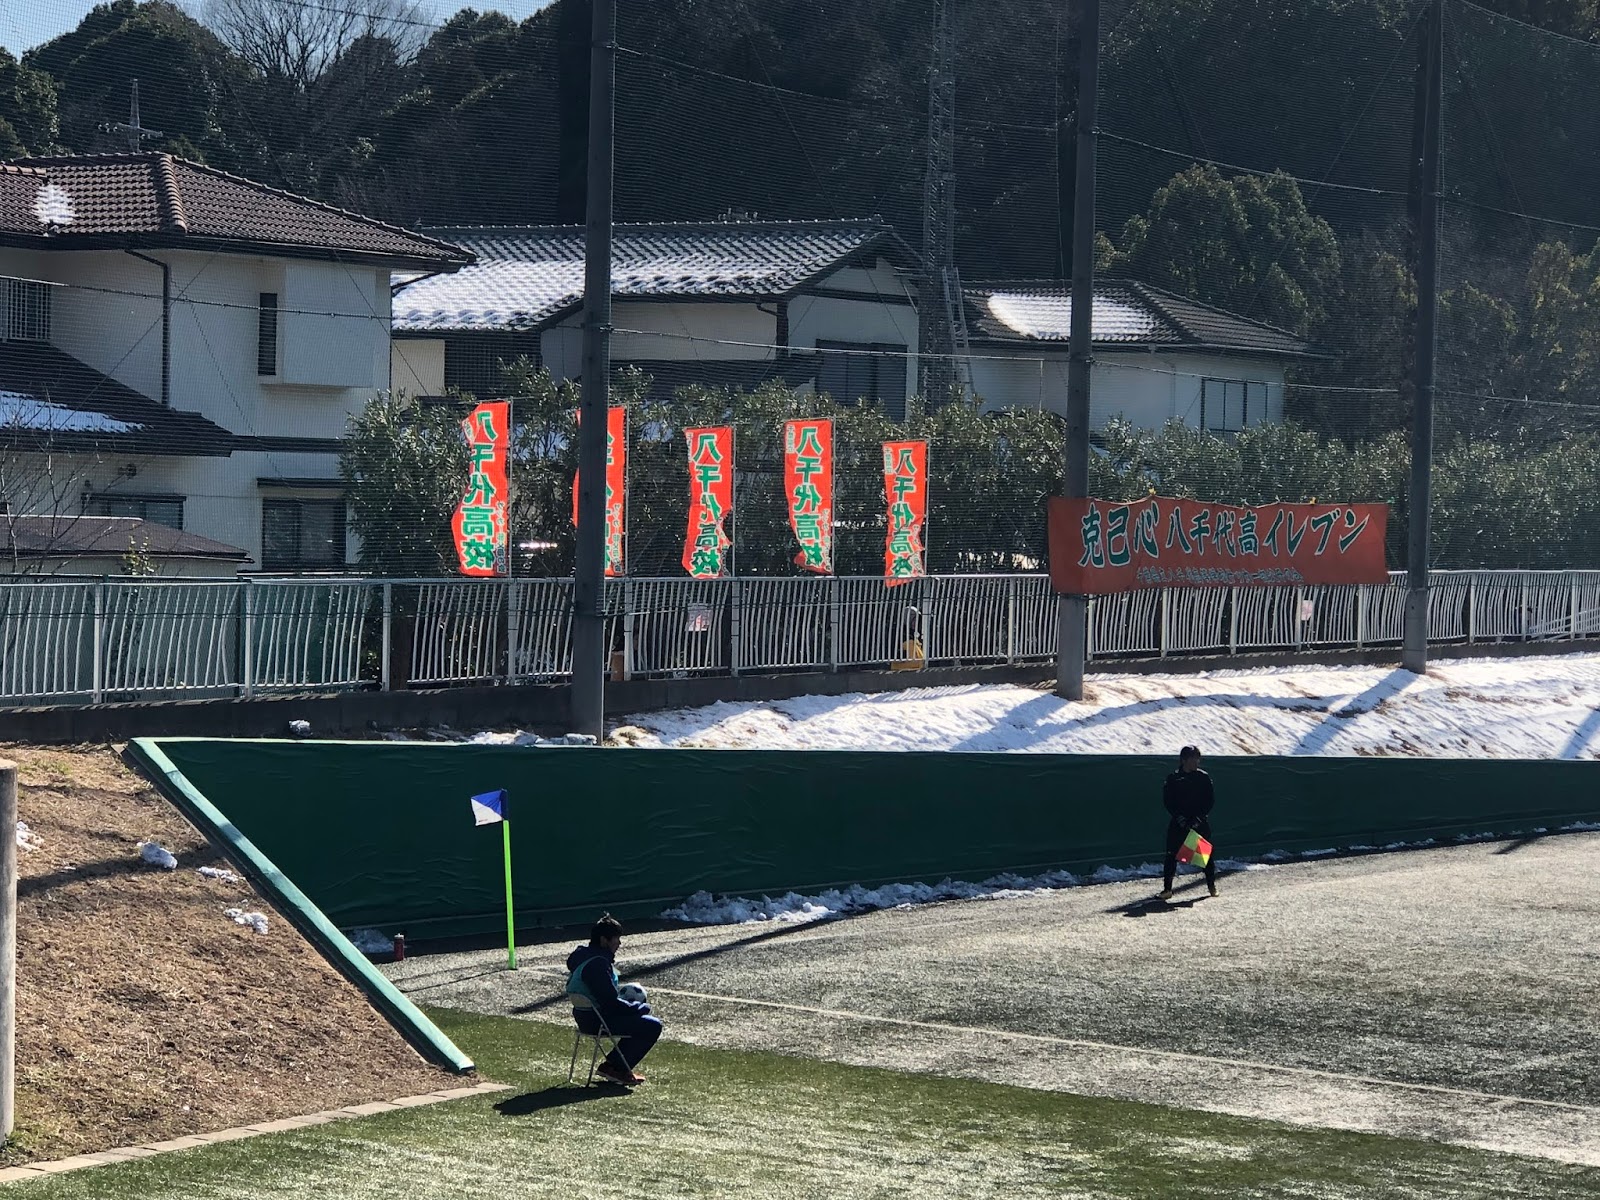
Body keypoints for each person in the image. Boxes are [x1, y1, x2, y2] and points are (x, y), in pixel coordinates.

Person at [566, 914, 662, 1086]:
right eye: (616, 939)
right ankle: (616, 1068)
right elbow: (610, 1003)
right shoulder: (597, 964)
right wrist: (638, 1008)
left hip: (585, 1017)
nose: (619, 943)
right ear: (604, 940)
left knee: (643, 1020)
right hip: (597, 1021)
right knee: (652, 1025)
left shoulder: (584, 958)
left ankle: (614, 1065)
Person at [1158, 745, 1218, 901]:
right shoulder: (1173, 778)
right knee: (1171, 855)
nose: (1196, 762)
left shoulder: (1203, 778)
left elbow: (1209, 801)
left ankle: (1212, 887)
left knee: (1205, 855)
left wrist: (1199, 818)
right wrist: (1179, 818)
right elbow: (1168, 801)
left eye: (1197, 758)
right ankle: (1167, 890)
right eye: (1192, 759)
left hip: (1199, 822)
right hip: (1179, 823)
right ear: (1183, 760)